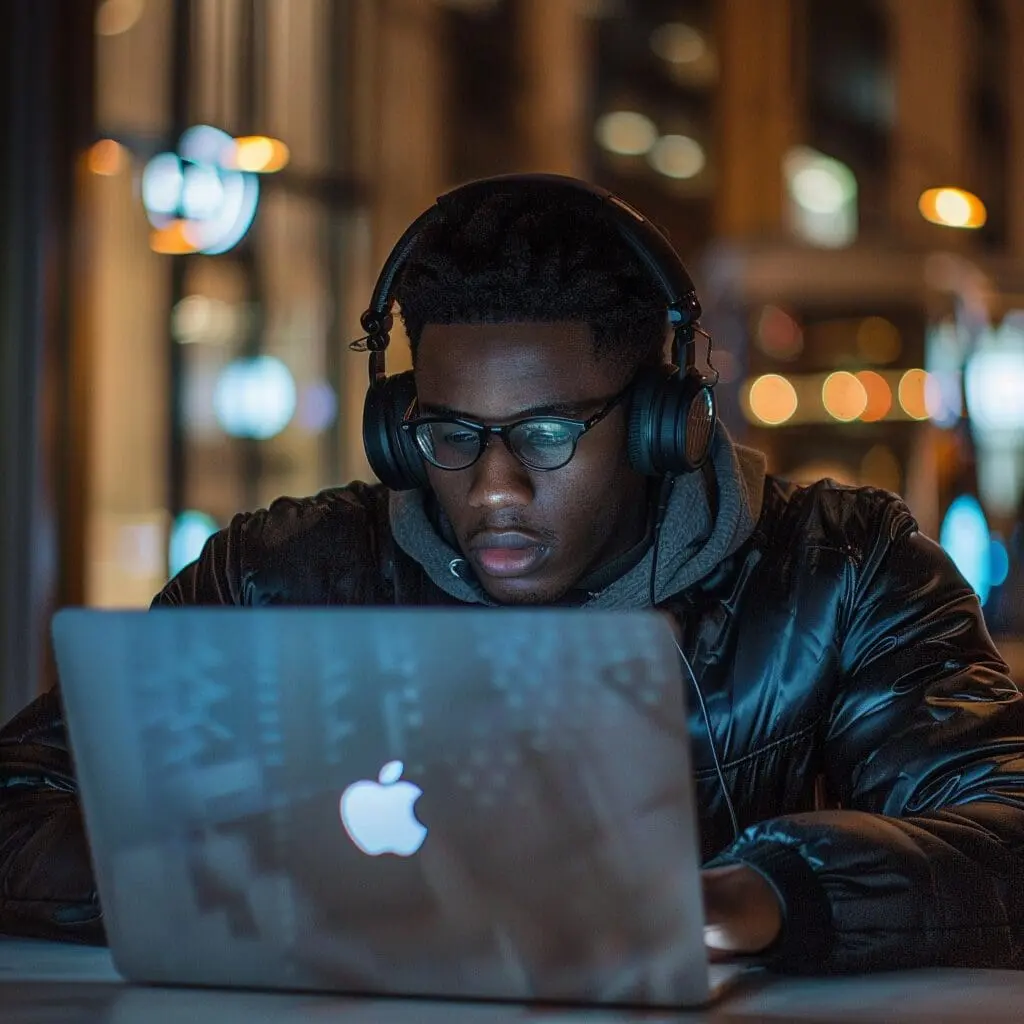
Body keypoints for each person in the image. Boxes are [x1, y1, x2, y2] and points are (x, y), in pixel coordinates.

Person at [2, 174, 1023, 974]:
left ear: (666, 423)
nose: (493, 487)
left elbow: (1006, 831)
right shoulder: (278, 577)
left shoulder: (845, 573)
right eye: (450, 434)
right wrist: (282, 879)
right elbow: (18, 803)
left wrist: (767, 895)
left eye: (546, 433)